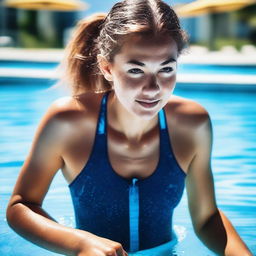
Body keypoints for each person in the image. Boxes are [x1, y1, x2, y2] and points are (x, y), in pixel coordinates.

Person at [6, 0, 253, 255]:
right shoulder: (68, 121)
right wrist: (80, 243)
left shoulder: (193, 124)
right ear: (107, 68)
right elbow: (21, 205)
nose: (153, 88)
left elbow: (206, 218)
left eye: (166, 69)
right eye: (136, 70)